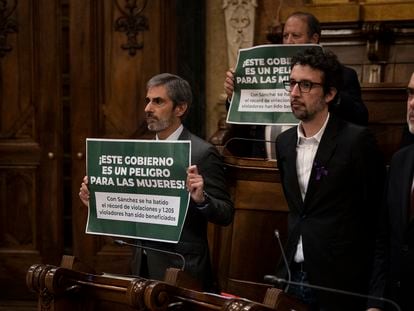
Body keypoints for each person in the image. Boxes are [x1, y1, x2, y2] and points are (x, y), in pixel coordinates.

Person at [79, 73, 234, 292]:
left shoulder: (202, 153)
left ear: (180, 108)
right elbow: (132, 215)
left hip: (183, 271)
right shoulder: (139, 153)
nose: (148, 108)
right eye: (147, 100)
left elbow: (226, 214)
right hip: (141, 269)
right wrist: (97, 204)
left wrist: (202, 199)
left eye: (158, 101)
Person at [274, 47, 385, 310]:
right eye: (291, 83)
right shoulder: (284, 143)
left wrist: (375, 298)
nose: (293, 93)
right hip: (292, 274)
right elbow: (300, 211)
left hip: (339, 282)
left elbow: (378, 219)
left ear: (330, 93)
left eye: (305, 85)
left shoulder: (356, 141)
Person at [223, 12, 368, 158]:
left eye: (295, 36)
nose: (289, 42)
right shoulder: (264, 71)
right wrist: (234, 96)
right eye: (285, 36)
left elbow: (360, 117)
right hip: (263, 164)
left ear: (314, 39)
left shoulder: (343, 74)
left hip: (318, 161)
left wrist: (329, 93)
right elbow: (245, 121)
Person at [368, 72, 414, 311]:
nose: (412, 103)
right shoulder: (400, 161)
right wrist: (375, 303)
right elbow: (384, 240)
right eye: (411, 93)